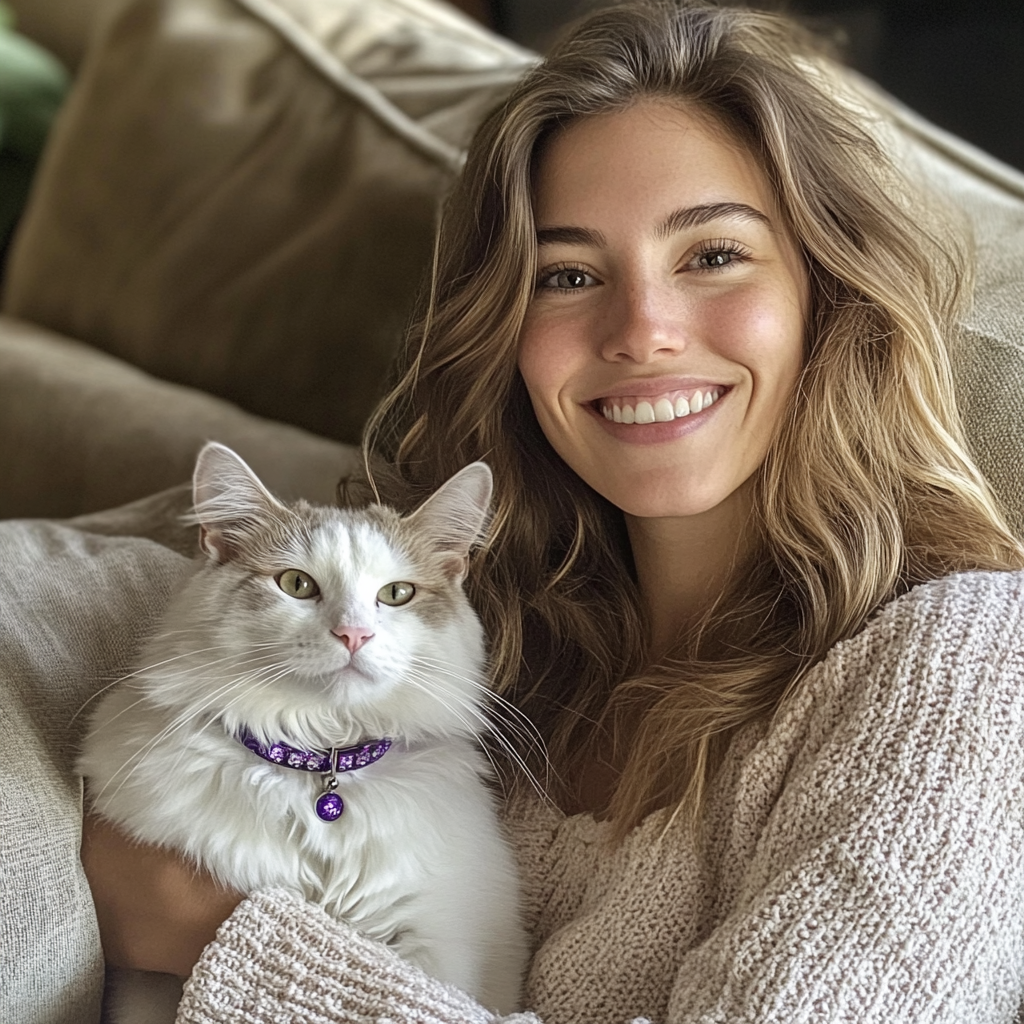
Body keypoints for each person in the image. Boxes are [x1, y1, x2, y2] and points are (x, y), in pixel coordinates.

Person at [81, 1, 1024, 1021]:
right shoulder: (503, 635)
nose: (642, 332)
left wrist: (232, 939)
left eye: (711, 255)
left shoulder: (969, 669)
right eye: (568, 274)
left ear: (828, 292)